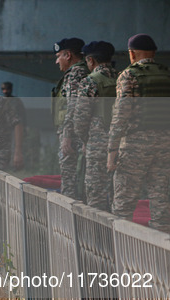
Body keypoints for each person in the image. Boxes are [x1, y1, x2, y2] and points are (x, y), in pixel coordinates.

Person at [107, 34, 170, 233]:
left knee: (124, 205)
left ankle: (122, 256)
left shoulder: (129, 75)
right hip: (165, 146)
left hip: (135, 146)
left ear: (132, 54)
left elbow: (121, 115)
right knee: (162, 205)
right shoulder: (167, 74)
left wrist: (112, 151)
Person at [72, 41, 118, 211]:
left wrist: (86, 141)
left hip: (97, 145)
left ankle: (99, 236)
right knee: (119, 195)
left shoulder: (90, 81)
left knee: (96, 195)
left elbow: (80, 119)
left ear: (91, 60)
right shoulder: (123, 77)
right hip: (122, 145)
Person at [52, 37, 89, 199]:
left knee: (70, 181)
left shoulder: (75, 74)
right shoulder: (85, 71)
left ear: (68, 55)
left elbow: (72, 107)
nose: (56, 61)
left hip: (74, 136)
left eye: (58, 56)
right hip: (79, 134)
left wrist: (67, 135)